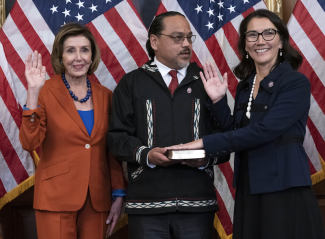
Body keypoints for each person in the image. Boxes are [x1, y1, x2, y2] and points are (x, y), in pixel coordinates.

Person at [168, 9, 325, 239]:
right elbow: (238, 134)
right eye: (252, 35)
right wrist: (219, 101)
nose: (260, 41)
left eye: (268, 33)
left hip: (284, 190)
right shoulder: (245, 86)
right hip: (249, 189)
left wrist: (203, 143)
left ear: (281, 41)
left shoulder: (295, 82)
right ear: (245, 45)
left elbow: (263, 132)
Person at [107, 11, 228, 239]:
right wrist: (147, 155)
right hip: (146, 205)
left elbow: (226, 136)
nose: (186, 44)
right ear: (154, 41)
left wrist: (206, 158)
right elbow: (117, 137)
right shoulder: (131, 83)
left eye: (189, 38)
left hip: (197, 204)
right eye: (177, 37)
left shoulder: (207, 82)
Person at [19, 23, 126, 239]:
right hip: (55, 197)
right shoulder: (44, 92)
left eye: (84, 50)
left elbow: (111, 150)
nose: (79, 57)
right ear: (60, 57)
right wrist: (32, 92)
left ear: (92, 55)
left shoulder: (106, 95)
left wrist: (119, 193)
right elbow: (29, 143)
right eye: (70, 50)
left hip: (97, 200)